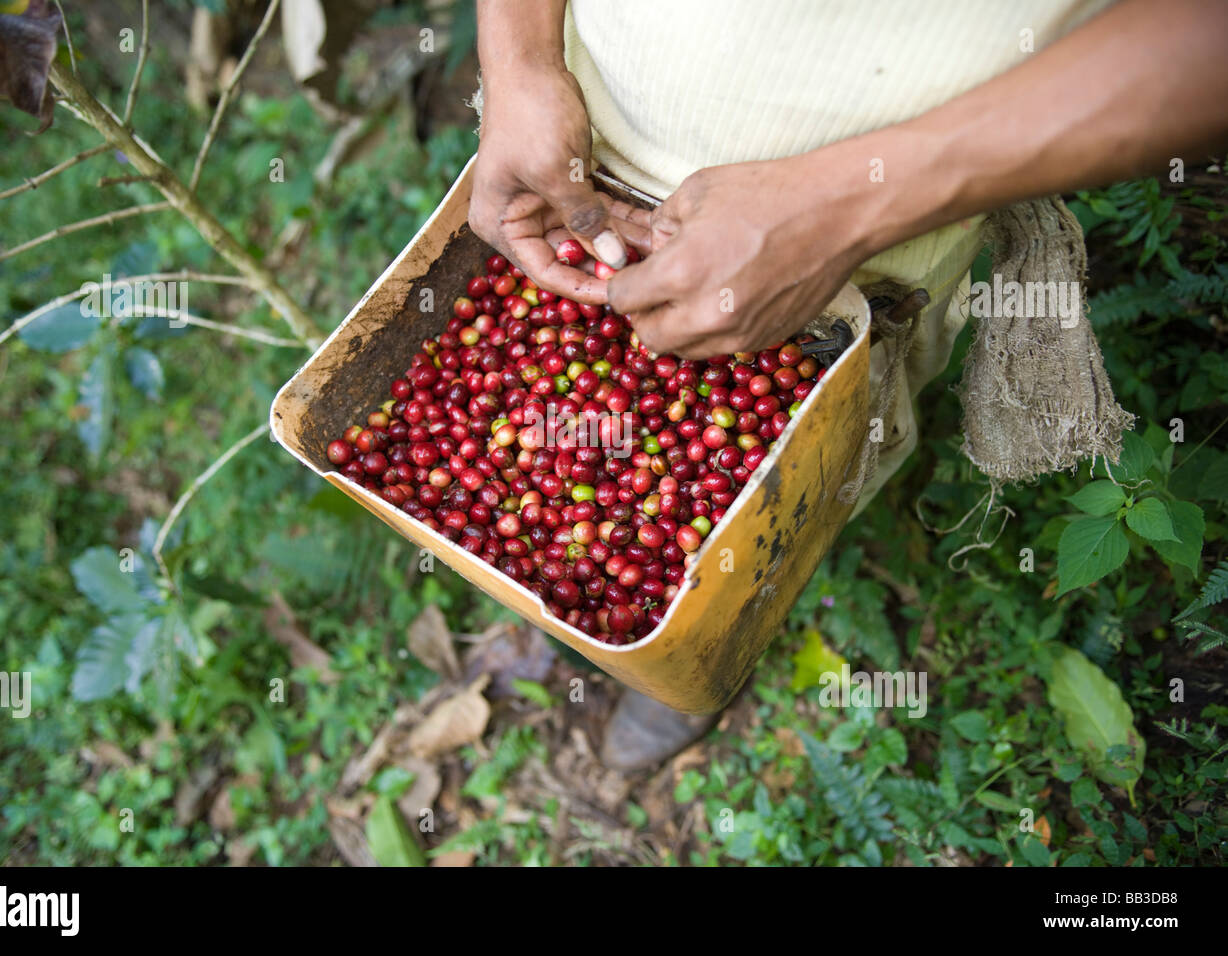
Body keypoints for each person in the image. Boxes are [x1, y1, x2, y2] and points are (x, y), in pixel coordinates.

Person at [468, 0, 1228, 771]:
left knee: (796, 481)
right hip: (594, 141)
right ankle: (616, 631)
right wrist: (520, 61)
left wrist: (842, 211)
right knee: (577, 512)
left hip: (882, 236)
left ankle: (700, 637)